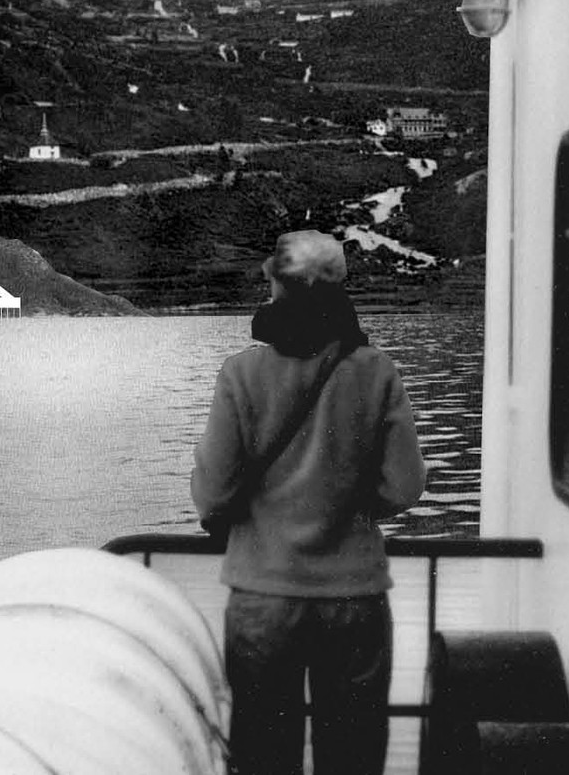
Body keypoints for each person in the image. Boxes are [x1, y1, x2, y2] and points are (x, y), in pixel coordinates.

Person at [192, 230, 426, 775]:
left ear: (275, 284)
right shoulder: (375, 370)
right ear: (340, 286)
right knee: (353, 757)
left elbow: (213, 492)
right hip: (354, 596)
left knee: (262, 755)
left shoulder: (242, 374)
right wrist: (348, 503)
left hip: (263, 599)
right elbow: (405, 484)